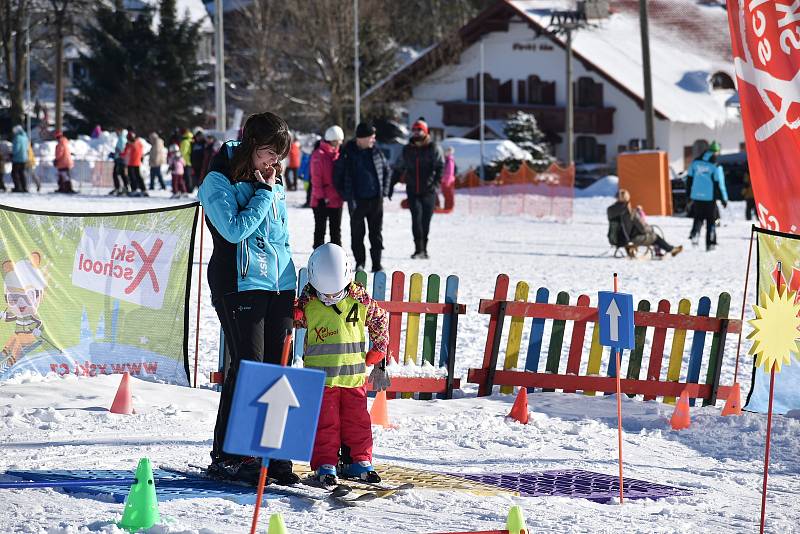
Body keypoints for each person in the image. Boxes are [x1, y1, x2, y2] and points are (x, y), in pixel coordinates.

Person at [197, 111, 299, 486]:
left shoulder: (271, 178)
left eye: (280, 155)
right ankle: (229, 455)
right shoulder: (217, 179)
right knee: (249, 366)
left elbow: (280, 236)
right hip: (237, 282)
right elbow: (235, 229)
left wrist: (289, 279)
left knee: (279, 368)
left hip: (277, 284)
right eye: (270, 153)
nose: (275, 162)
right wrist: (262, 194)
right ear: (251, 145)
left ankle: (272, 454)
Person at [294, 243, 390, 486]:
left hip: (354, 379)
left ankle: (360, 461)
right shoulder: (308, 303)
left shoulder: (361, 301)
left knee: (358, 423)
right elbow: (293, 320)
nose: (329, 298)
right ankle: (326, 463)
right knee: (325, 424)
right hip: (320, 382)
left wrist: (379, 348)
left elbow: (379, 320)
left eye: (334, 294)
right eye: (325, 295)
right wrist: (291, 316)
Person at [333, 122, 391, 273]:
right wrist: (345, 195)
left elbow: (387, 171)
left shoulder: (377, 151)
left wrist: (384, 191)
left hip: (376, 200)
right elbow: (337, 176)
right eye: (371, 137)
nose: (374, 139)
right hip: (357, 202)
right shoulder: (347, 153)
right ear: (361, 138)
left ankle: (377, 264)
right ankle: (360, 263)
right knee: (357, 235)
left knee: (376, 234)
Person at [392, 119, 444, 259]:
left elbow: (440, 166)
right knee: (416, 218)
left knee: (425, 220)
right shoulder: (408, 149)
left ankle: (424, 249)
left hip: (429, 190)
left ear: (425, 131)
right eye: (414, 130)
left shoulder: (433, 148)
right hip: (413, 189)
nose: (417, 132)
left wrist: (435, 184)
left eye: (419, 129)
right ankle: (418, 249)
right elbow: (399, 167)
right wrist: (391, 184)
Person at [607, 189, 683, 258]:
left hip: (615, 238)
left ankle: (670, 249)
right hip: (630, 239)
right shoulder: (631, 213)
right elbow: (643, 229)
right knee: (654, 237)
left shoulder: (610, 211)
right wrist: (651, 229)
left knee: (650, 236)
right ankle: (671, 250)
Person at [687, 141, 728, 251]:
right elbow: (720, 183)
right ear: (716, 152)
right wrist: (724, 198)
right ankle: (710, 243)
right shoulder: (715, 165)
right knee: (711, 220)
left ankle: (695, 234)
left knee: (698, 217)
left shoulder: (695, 162)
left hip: (696, 195)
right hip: (710, 197)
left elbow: (689, 178)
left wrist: (688, 194)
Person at [310, 125, 345, 249]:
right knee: (320, 230)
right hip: (321, 199)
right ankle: (318, 258)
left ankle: (338, 260)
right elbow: (316, 178)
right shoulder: (319, 155)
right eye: (339, 140)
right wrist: (320, 198)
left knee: (336, 232)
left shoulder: (338, 154)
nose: (340, 143)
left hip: (336, 199)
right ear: (334, 140)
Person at [122, 130, 147, 196]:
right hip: (137, 162)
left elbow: (125, 153)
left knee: (132, 176)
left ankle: (134, 189)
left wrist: (119, 154)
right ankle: (143, 189)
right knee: (138, 176)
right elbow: (141, 151)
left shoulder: (129, 144)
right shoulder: (139, 142)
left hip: (131, 163)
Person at [111, 127, 129, 195]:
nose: (116, 133)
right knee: (120, 174)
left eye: (117, 132)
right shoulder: (121, 138)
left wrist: (116, 152)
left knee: (116, 174)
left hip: (120, 159)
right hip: (119, 158)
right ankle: (123, 187)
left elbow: (121, 150)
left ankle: (119, 187)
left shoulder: (121, 139)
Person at [11, 125, 29, 193]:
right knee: (22, 173)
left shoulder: (17, 138)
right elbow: (27, 147)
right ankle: (24, 187)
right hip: (24, 158)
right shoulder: (25, 137)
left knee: (14, 173)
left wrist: (12, 153)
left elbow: (16, 148)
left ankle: (17, 187)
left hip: (17, 158)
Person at [438, 146, 456, 211]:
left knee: (448, 194)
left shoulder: (449, 160)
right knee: (446, 194)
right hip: (445, 180)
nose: (445, 153)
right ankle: (447, 207)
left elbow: (450, 172)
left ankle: (449, 207)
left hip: (447, 180)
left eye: (447, 151)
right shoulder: (446, 159)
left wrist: (447, 181)